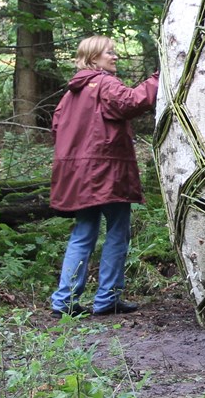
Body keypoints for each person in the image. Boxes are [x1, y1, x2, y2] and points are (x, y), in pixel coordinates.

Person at [49, 35, 159, 318]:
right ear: (93, 58)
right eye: (109, 52)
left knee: (83, 233)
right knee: (117, 233)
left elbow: (57, 131)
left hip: (77, 175)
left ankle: (65, 301)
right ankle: (107, 298)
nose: (115, 57)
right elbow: (133, 101)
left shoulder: (70, 94)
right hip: (106, 172)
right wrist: (162, 78)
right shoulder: (105, 84)